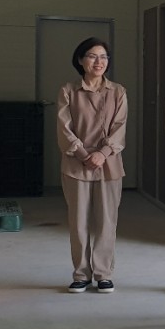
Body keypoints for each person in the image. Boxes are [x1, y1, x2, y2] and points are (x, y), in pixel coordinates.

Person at [55, 37, 128, 293]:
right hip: (77, 164)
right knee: (79, 222)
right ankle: (81, 274)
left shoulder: (118, 91)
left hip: (109, 165)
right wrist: (84, 153)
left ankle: (103, 273)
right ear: (80, 60)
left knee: (107, 221)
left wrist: (103, 153)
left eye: (104, 57)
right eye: (93, 56)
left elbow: (120, 127)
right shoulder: (68, 91)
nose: (99, 62)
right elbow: (64, 128)